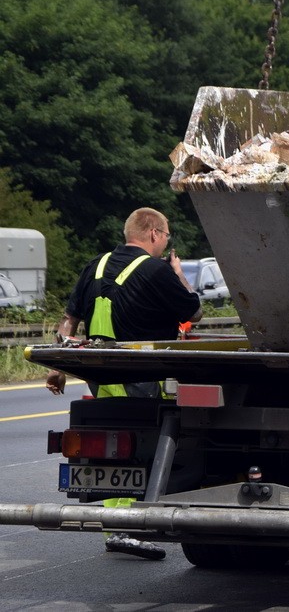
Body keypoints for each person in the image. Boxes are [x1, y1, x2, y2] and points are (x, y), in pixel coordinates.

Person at [45, 207, 203, 560]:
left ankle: (120, 525)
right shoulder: (156, 271)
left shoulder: (95, 265)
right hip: (140, 374)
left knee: (117, 446)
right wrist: (179, 275)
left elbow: (69, 320)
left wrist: (58, 365)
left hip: (100, 374)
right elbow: (193, 313)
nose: (165, 244)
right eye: (165, 237)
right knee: (143, 450)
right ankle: (127, 528)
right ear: (152, 233)